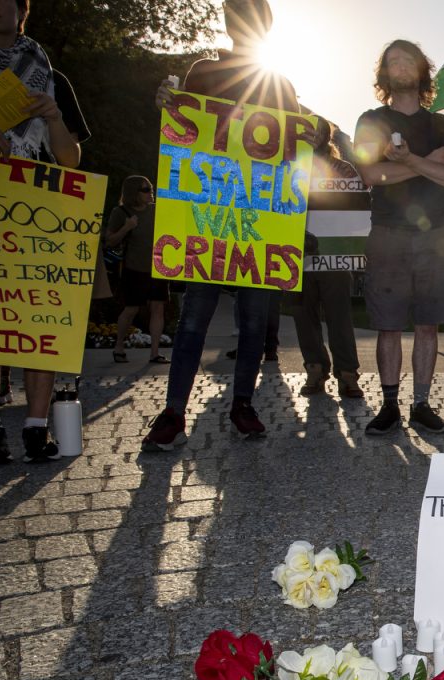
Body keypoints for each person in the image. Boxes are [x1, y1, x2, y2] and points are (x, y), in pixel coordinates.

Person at [142, 0, 299, 450]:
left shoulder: (280, 83)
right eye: (236, 15)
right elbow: (186, 132)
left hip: (259, 222)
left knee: (253, 324)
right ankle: (174, 411)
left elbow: (297, 142)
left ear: (265, 26)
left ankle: (243, 404)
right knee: (193, 322)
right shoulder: (204, 72)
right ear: (228, 23)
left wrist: (317, 134)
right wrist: (168, 108)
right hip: (207, 220)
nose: (244, 22)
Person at [0, 0, 90, 465]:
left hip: (36, 214)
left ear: (21, 12)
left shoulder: (51, 76)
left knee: (37, 321)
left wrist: (53, 118)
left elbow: (70, 161)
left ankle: (34, 427)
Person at [354, 40, 444, 434]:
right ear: (384, 74)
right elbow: (371, 176)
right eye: (392, 61)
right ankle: (388, 406)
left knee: (429, 325)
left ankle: (421, 404)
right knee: (388, 325)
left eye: (408, 60)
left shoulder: (442, 125)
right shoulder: (371, 120)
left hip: (436, 235)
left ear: (422, 71)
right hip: (387, 233)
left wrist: (407, 162)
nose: (400, 66)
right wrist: (427, 164)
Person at [292, 117, 364, 398]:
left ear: (326, 136)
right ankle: (314, 369)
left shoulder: (343, 169)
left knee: (339, 316)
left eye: (318, 131)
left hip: (333, 254)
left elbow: (356, 208)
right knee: (302, 314)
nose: (312, 135)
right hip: (296, 254)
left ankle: (347, 374)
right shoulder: (289, 167)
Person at [108, 176, 169, 365]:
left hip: (159, 267)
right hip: (134, 268)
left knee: (158, 308)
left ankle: (154, 352)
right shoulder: (121, 212)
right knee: (131, 309)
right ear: (134, 192)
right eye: (146, 189)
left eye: (151, 188)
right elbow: (110, 241)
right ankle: (119, 346)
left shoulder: (158, 209)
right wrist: (127, 227)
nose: (151, 192)